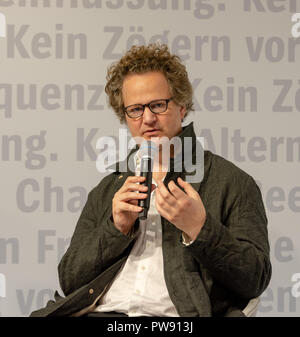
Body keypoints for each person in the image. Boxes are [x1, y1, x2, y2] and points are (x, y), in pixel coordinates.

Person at [30, 44, 271, 317]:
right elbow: (70, 279)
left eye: (158, 105)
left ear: (182, 106)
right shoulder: (108, 189)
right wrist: (116, 228)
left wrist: (200, 229)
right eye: (135, 109)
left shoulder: (233, 183)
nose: (147, 118)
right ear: (125, 116)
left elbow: (255, 278)